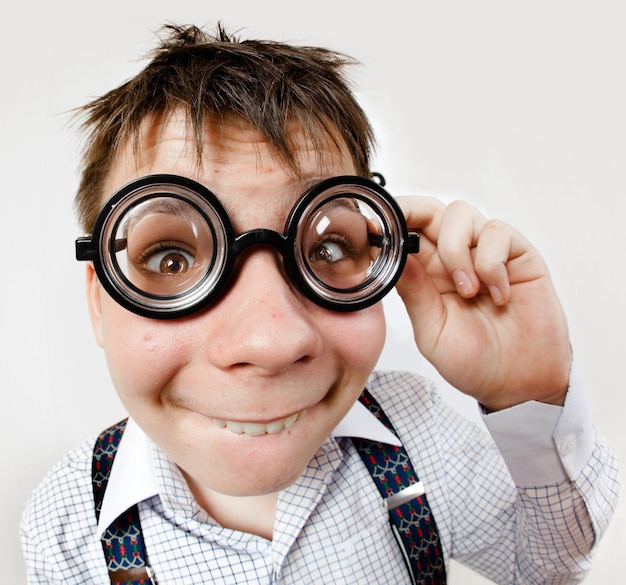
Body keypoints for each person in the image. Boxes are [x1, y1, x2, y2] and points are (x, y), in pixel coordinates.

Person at [21, 23, 618, 584]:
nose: (271, 342)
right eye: (170, 259)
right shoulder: (67, 523)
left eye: (327, 246)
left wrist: (527, 396)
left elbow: (547, 567)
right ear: (100, 302)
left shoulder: (419, 435)